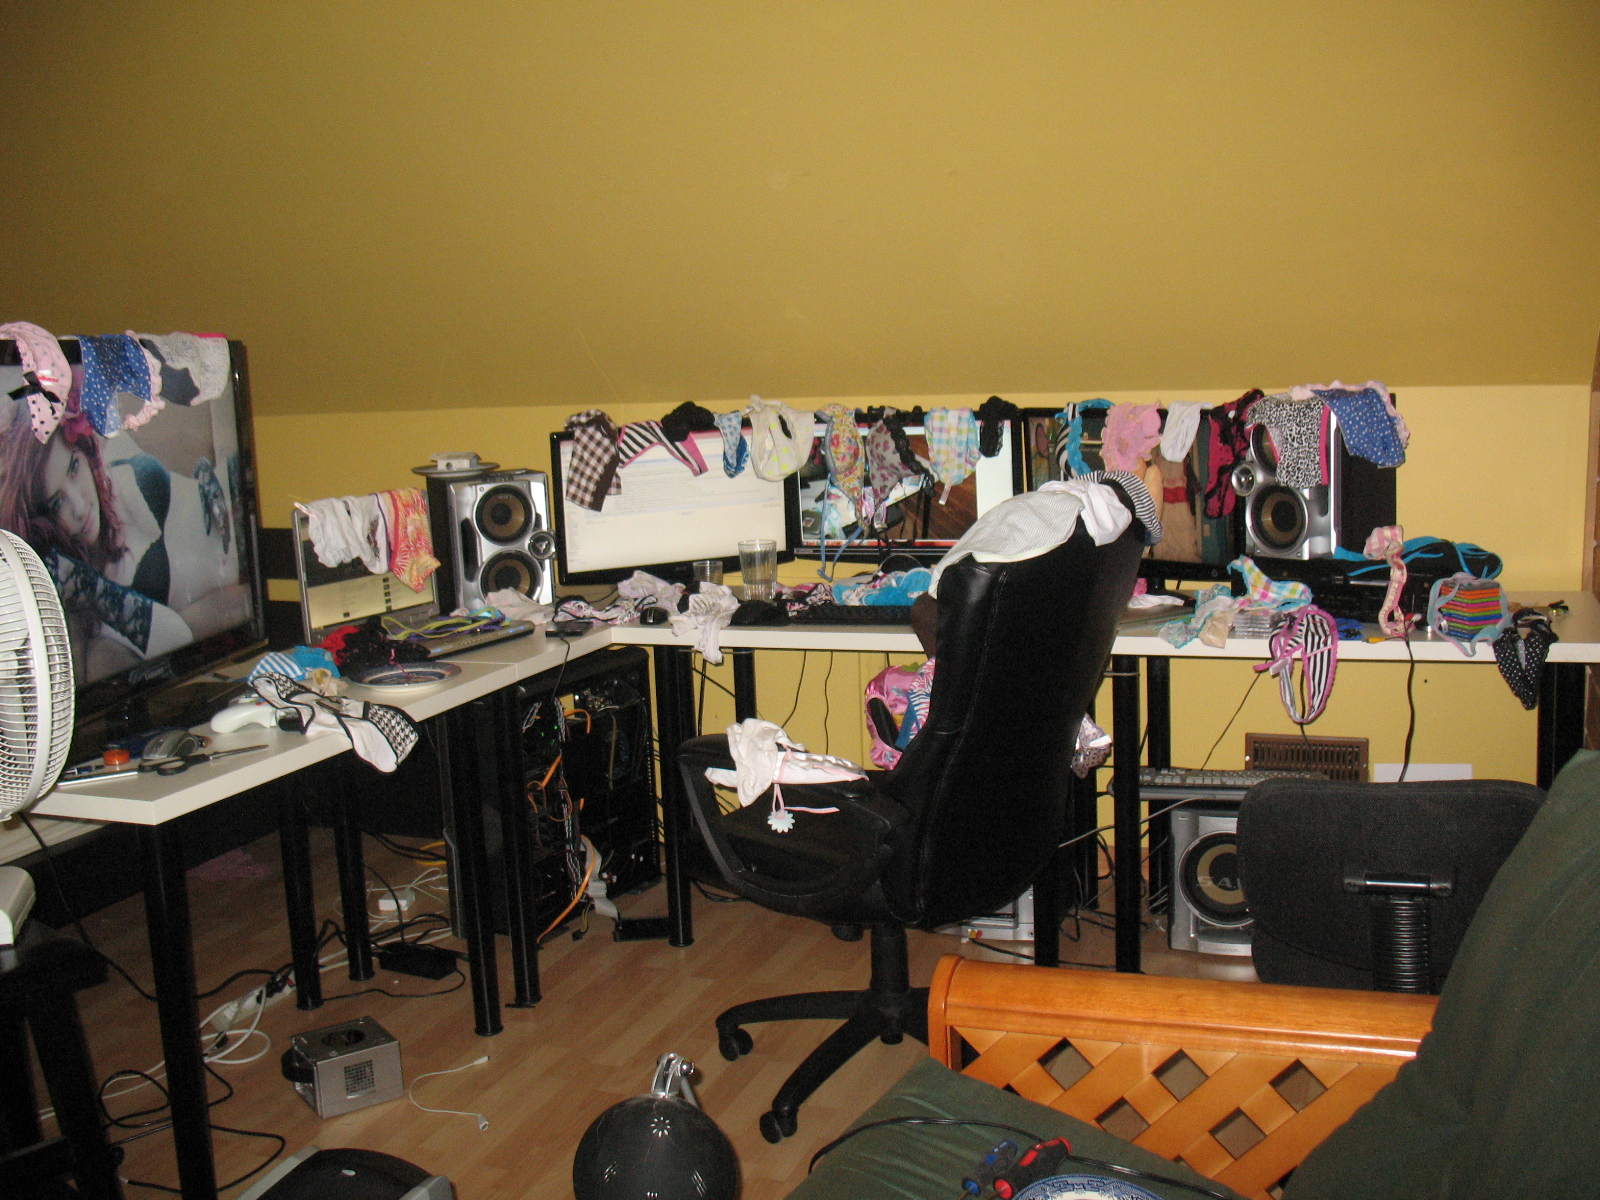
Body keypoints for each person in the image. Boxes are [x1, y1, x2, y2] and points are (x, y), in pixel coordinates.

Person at [0, 398, 247, 681]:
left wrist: (205, 474)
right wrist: (91, 588)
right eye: (56, 503)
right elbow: (178, 637)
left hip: (245, 518)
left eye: (74, 468)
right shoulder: (80, 593)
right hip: (237, 592)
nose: (79, 507)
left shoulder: (114, 467)